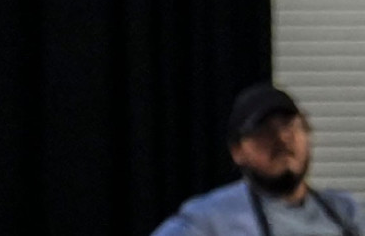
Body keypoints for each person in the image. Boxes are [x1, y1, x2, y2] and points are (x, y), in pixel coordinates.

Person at [151, 83, 364, 236]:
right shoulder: (212, 217)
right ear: (237, 152)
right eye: (264, 131)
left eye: (289, 127)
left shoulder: (345, 211)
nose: (281, 139)